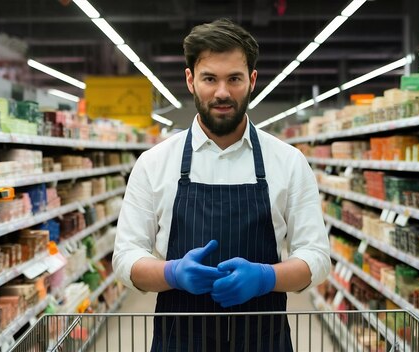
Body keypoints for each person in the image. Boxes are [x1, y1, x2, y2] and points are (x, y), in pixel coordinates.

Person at [112, 18, 330, 351]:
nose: (222, 92)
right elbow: (126, 257)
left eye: (234, 79)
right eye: (210, 79)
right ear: (190, 80)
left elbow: (315, 256)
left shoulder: (288, 162)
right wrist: (171, 273)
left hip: (263, 339)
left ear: (252, 80)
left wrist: (266, 278)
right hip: (179, 340)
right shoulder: (154, 163)